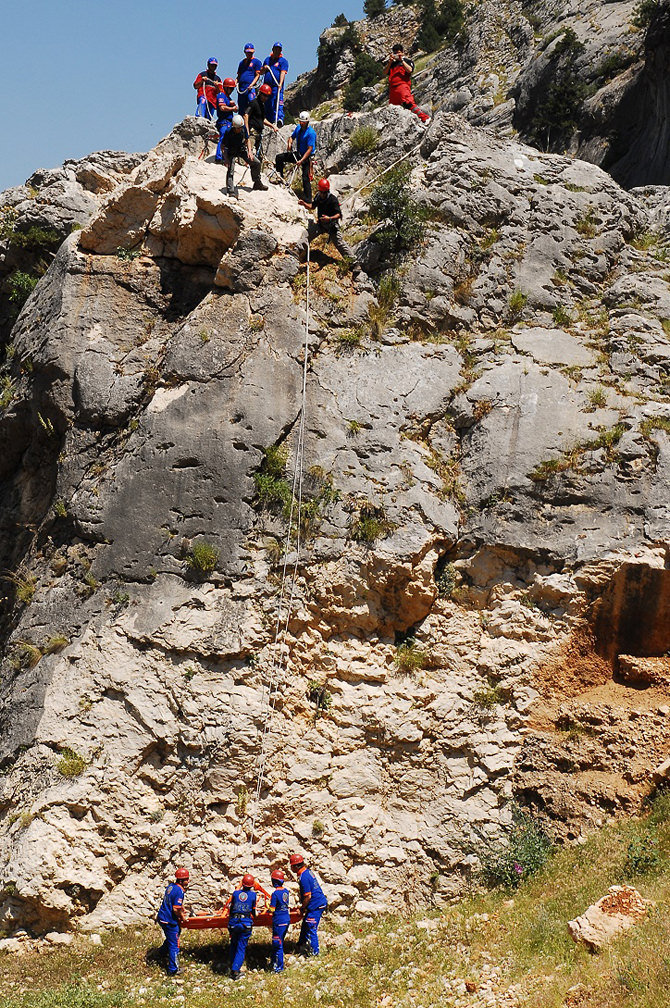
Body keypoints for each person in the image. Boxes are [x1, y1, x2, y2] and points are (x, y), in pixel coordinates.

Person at [298, 178, 358, 270]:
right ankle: (296, 251)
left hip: (331, 225)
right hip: (321, 225)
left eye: (324, 193)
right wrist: (304, 204)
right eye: (321, 192)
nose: (322, 194)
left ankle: (354, 264)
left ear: (327, 191)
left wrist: (329, 218)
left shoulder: (332, 199)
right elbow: (312, 206)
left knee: (340, 243)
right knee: (307, 234)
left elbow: (339, 215)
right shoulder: (318, 196)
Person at [288, 853, 328, 957]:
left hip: (316, 904)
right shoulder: (308, 872)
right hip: (316, 903)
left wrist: (302, 909)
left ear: (296, 866)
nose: (291, 868)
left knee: (310, 926)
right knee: (305, 924)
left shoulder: (304, 877)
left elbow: (308, 897)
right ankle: (301, 944)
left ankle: (314, 953)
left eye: (291, 866)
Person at [221, 114, 268, 196]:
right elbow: (223, 146)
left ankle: (257, 183)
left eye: (240, 127)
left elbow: (247, 140)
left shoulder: (243, 129)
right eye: (238, 128)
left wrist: (250, 151)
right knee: (230, 170)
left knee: (256, 163)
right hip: (231, 151)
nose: (240, 129)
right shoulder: (228, 132)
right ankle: (230, 190)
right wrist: (226, 159)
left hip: (241, 149)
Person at [274, 112, 316, 201]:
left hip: (307, 157)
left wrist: (301, 160)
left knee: (305, 177)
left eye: (303, 122)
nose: (301, 123)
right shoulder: (298, 128)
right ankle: (280, 177)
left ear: (307, 122)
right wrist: (290, 143)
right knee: (279, 158)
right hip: (299, 153)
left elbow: (309, 149)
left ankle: (308, 199)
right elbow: (292, 137)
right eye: (300, 121)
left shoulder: (311, 133)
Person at [156, 867, 190, 976]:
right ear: (182, 880)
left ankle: (160, 953)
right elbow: (175, 908)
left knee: (173, 937)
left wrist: (182, 908)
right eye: (187, 879)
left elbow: (173, 902)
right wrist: (183, 917)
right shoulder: (180, 891)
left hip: (162, 917)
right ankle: (173, 969)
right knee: (174, 944)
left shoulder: (171, 886)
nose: (188, 881)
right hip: (169, 920)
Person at [385, 43, 430, 124]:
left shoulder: (408, 61)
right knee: (393, 108)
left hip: (403, 85)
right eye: (394, 53)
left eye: (398, 52)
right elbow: (385, 72)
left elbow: (409, 70)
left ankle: (425, 118)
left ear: (402, 52)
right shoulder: (392, 64)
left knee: (408, 103)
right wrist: (390, 62)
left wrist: (401, 60)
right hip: (393, 88)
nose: (396, 54)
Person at [228, 873, 257, 980]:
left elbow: (231, 908)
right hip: (245, 923)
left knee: (233, 944)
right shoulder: (253, 895)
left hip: (233, 922)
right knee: (241, 947)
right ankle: (235, 971)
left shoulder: (235, 894)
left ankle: (232, 964)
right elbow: (253, 910)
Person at [269, 869, 291, 974]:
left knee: (278, 944)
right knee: (280, 941)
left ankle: (278, 967)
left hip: (278, 921)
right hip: (286, 919)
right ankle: (274, 962)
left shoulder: (275, 894)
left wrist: (268, 909)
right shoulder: (286, 892)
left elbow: (272, 908)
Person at [261, 42, 289, 126]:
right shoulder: (267, 60)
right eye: (275, 49)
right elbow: (261, 72)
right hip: (267, 86)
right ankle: (269, 120)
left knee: (277, 101)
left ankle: (279, 119)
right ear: (272, 49)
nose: (277, 51)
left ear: (281, 51)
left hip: (276, 86)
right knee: (268, 103)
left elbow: (283, 73)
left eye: (279, 49)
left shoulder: (283, 61)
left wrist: (280, 84)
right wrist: (264, 68)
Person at [245, 83, 275, 156]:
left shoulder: (262, 106)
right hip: (253, 132)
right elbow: (246, 115)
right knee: (249, 152)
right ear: (260, 93)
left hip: (259, 133)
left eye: (267, 96)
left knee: (260, 156)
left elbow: (263, 119)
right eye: (264, 95)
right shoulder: (253, 103)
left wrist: (272, 126)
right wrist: (247, 130)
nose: (265, 98)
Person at [215, 79, 239, 163]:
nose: (231, 90)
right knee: (223, 137)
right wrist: (232, 108)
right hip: (223, 121)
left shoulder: (228, 98)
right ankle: (218, 157)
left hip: (229, 122)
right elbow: (222, 107)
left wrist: (233, 106)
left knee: (228, 139)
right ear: (225, 87)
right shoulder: (221, 95)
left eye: (232, 89)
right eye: (230, 88)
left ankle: (225, 157)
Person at [236, 43, 263, 117]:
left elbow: (258, 75)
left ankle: (253, 121)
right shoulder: (242, 63)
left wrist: (252, 84)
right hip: (242, 88)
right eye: (248, 52)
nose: (249, 54)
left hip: (250, 88)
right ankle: (242, 125)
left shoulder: (256, 62)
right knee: (241, 107)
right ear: (245, 52)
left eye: (250, 52)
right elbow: (239, 76)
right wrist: (235, 83)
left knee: (252, 104)